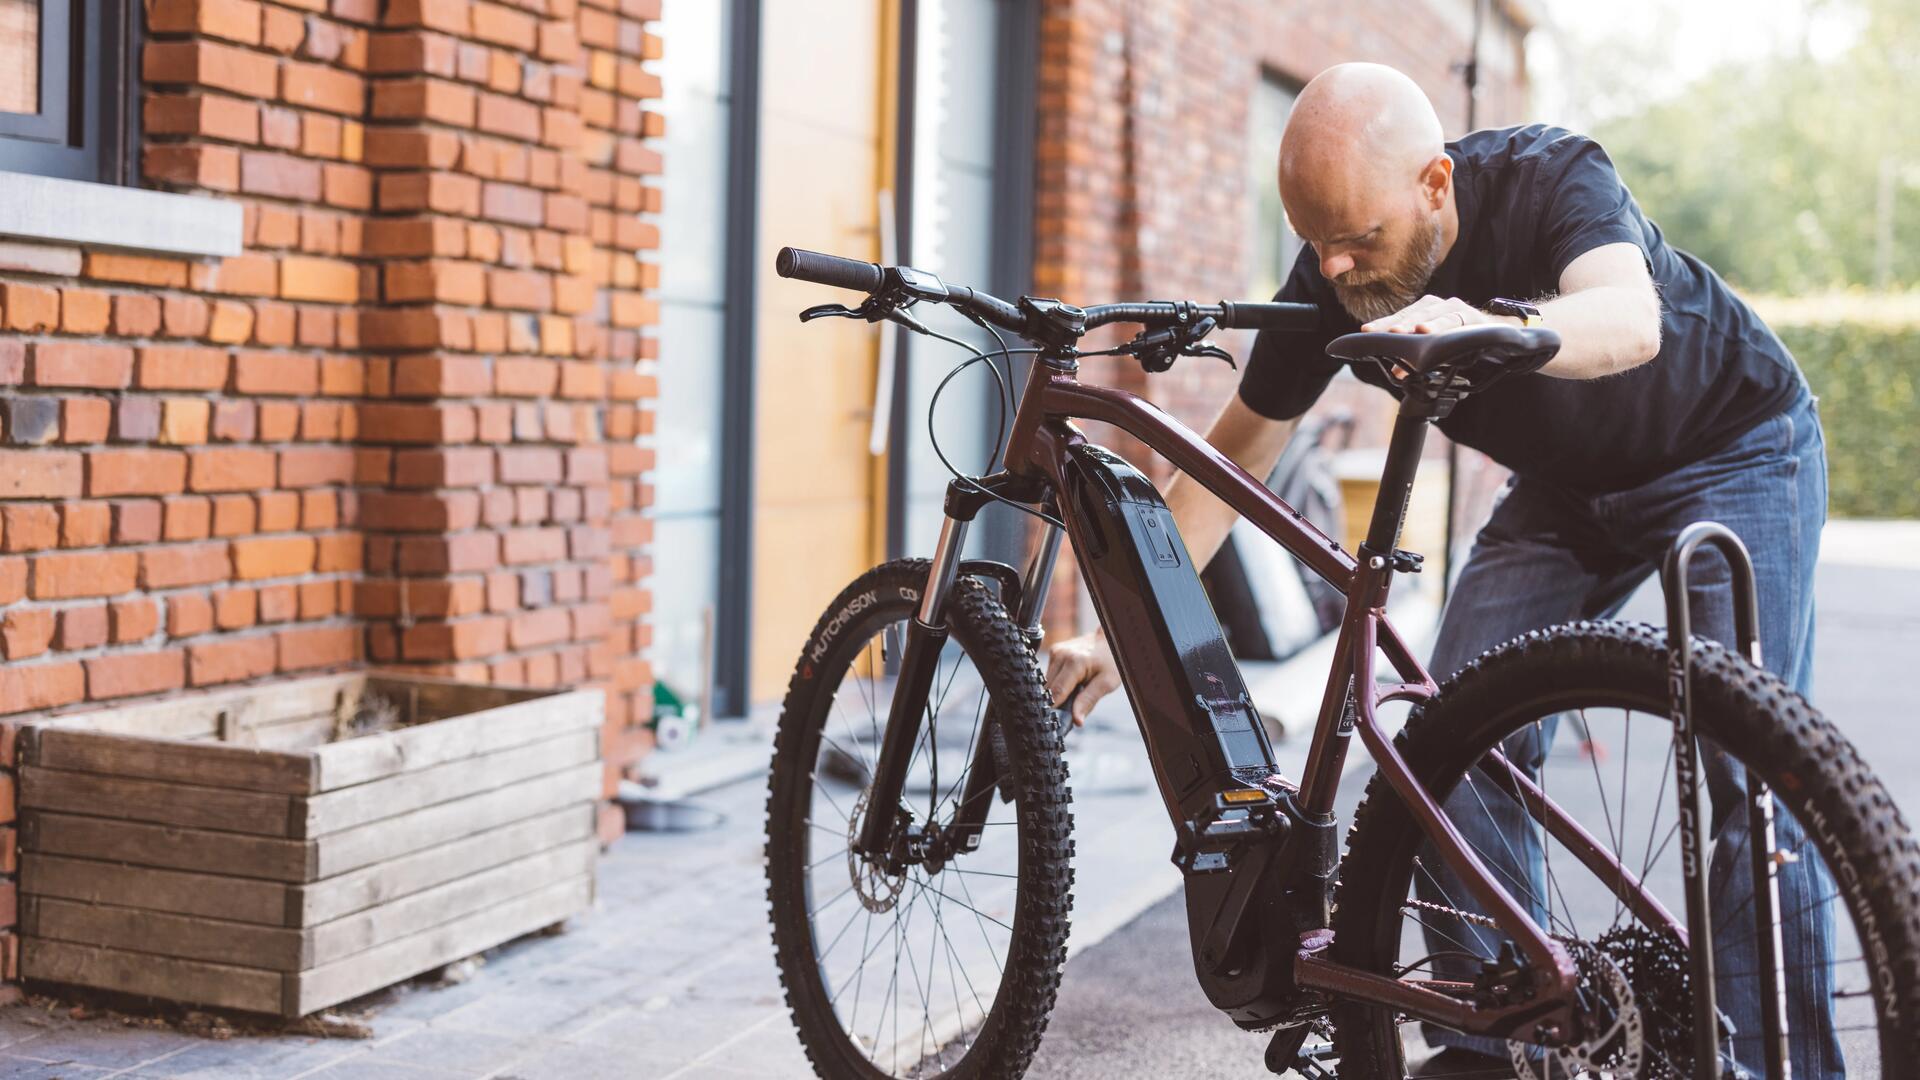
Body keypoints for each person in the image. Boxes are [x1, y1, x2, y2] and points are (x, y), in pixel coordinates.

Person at [1043, 62, 1834, 1078]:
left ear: (1433, 184)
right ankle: (1492, 1045)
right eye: (1314, 242)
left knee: (1752, 769)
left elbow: (1627, 320)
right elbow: (1237, 456)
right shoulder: (1330, 267)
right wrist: (1124, 634)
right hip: (1563, 492)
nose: (1333, 269)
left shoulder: (1552, 177)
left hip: (1732, 446)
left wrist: (1488, 329)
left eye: (1358, 240)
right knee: (1443, 744)